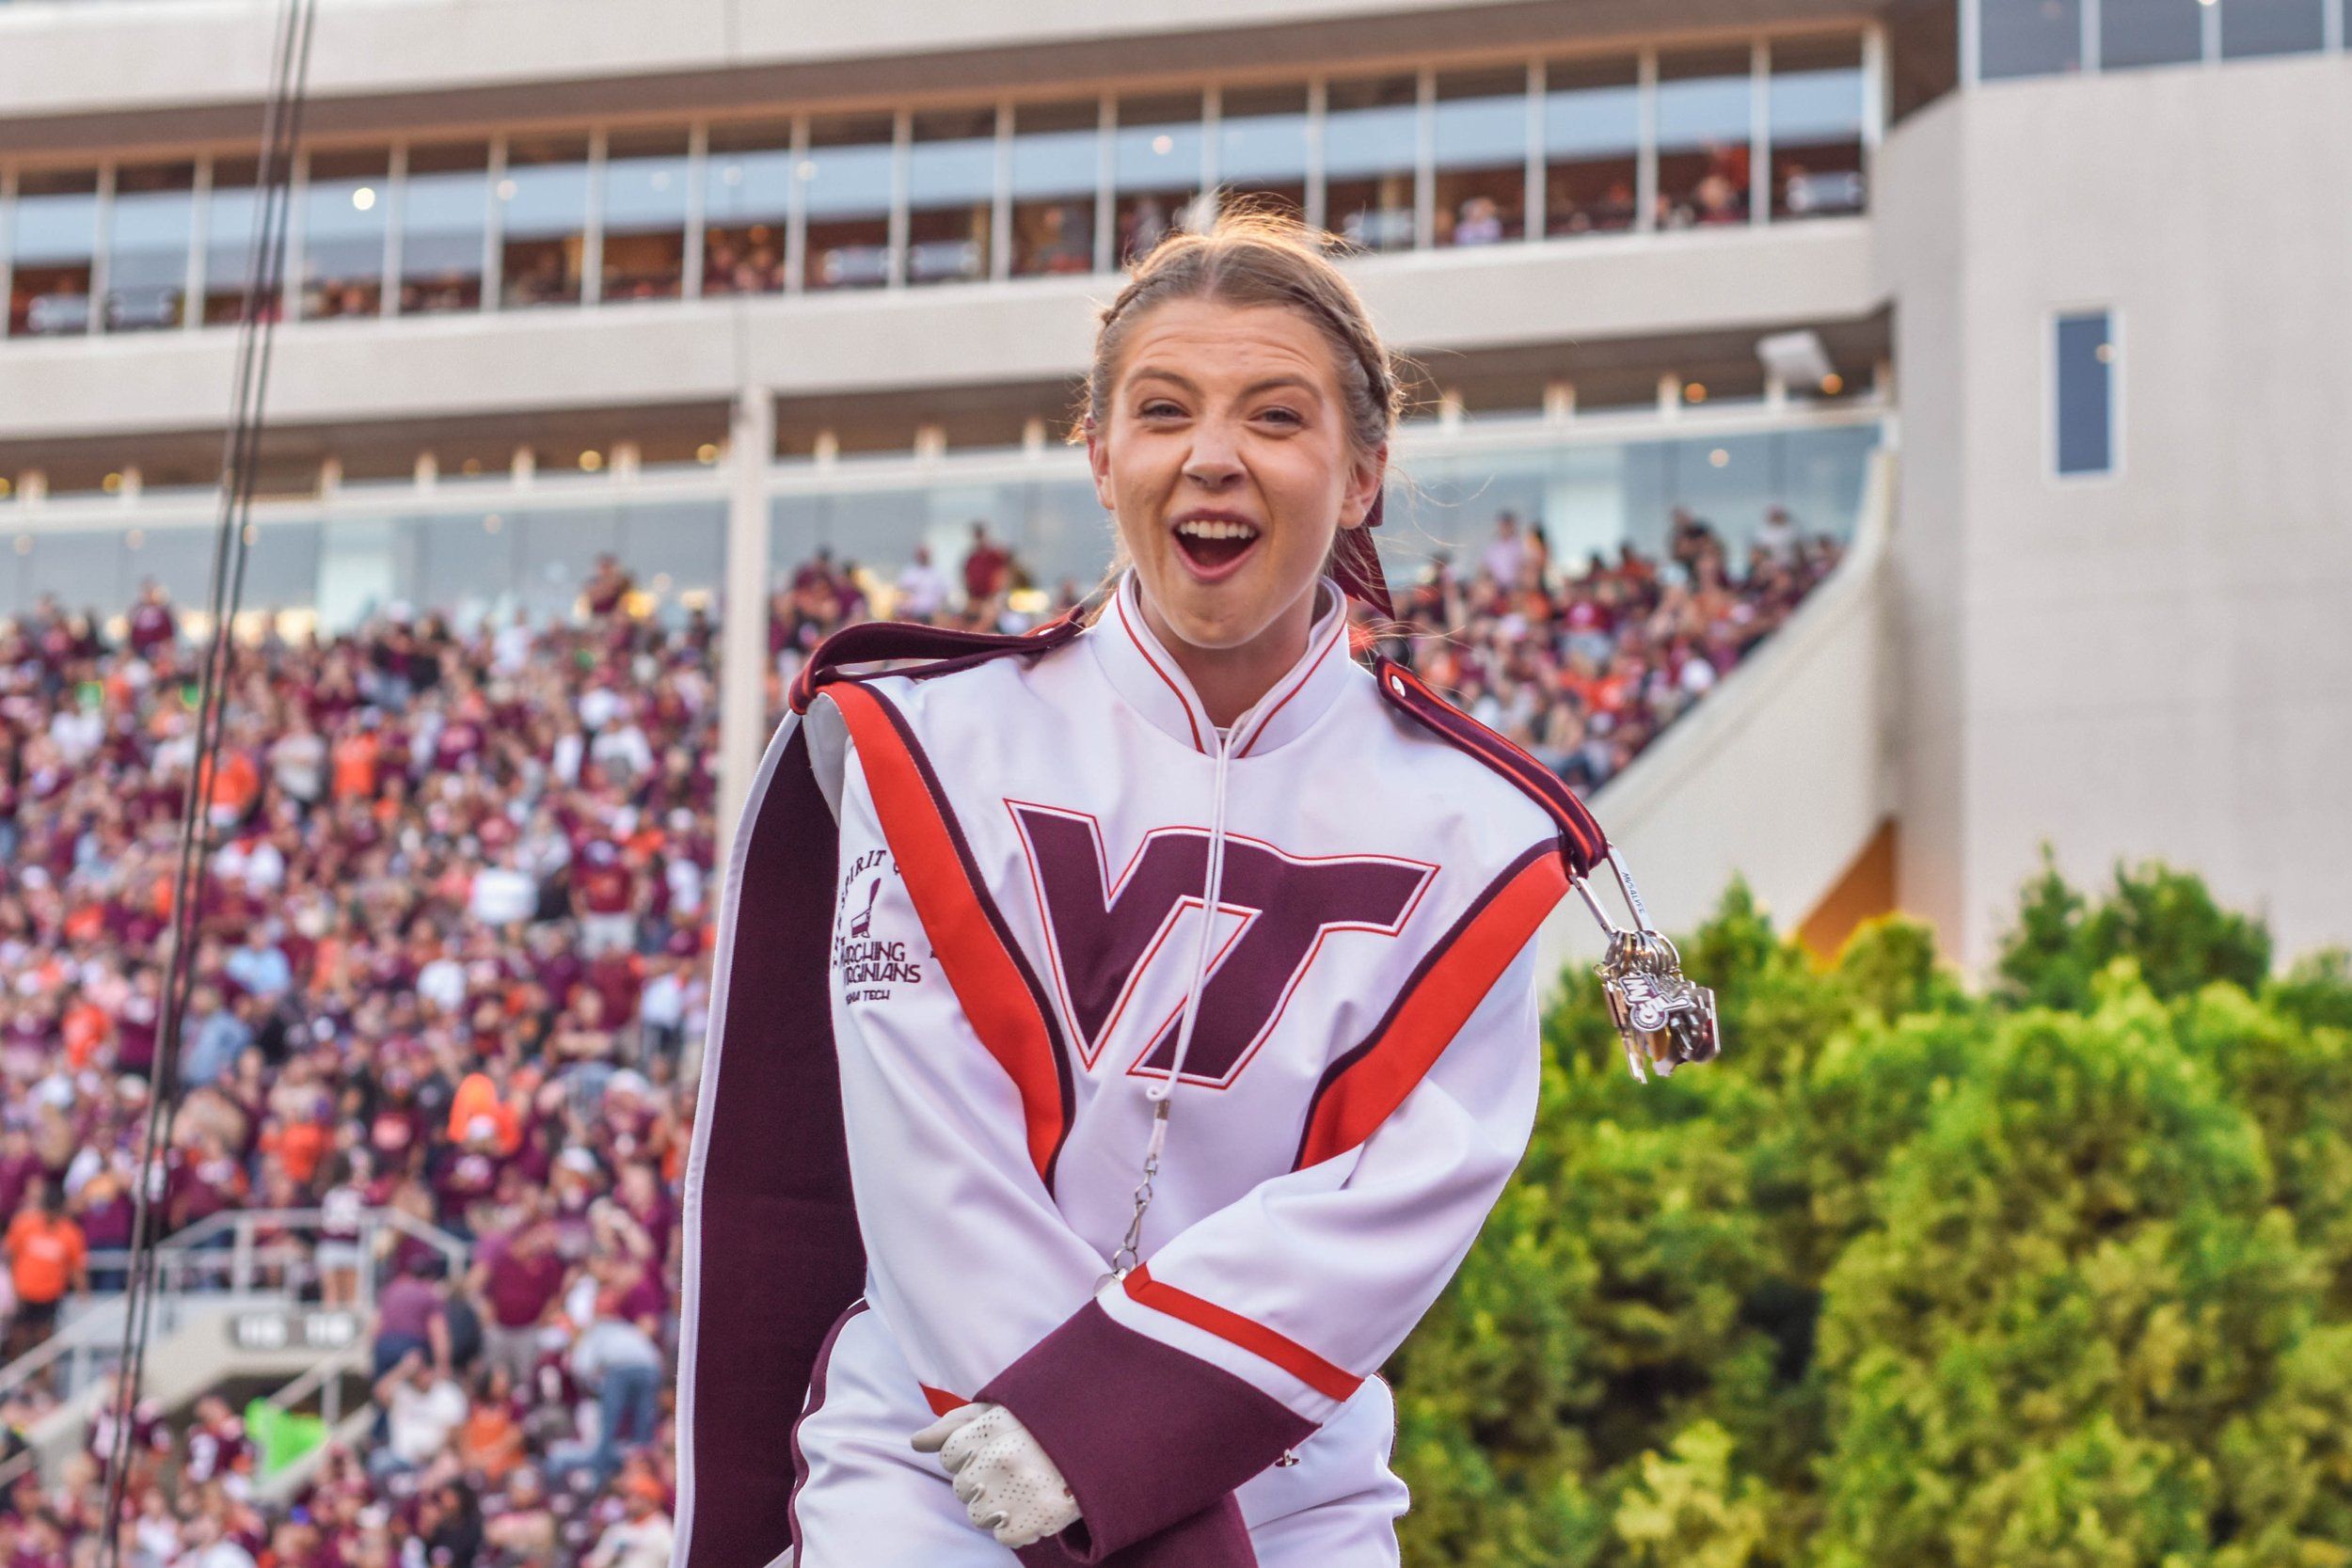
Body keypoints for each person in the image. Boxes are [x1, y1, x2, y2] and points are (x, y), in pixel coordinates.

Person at [676, 212, 1636, 1566]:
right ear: (1100, 454)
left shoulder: (1477, 828)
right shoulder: (930, 745)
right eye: (1164, 410)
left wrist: (1118, 1432)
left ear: (1363, 474)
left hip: (1293, 1495)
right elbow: (932, 1175)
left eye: (1276, 416)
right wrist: (1094, 1442)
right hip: (929, 1471)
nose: (1213, 455)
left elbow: (1404, 1196)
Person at [4, 1181, 87, 1359]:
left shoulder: (70, 1233)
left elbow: (76, 1267)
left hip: (50, 1295)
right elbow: (10, 1254)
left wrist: (83, 1293)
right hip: (23, 1293)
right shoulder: (25, 1224)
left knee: (45, 1339)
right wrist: (12, 1287)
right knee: (18, 1337)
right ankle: (12, 1372)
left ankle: (45, 1376)